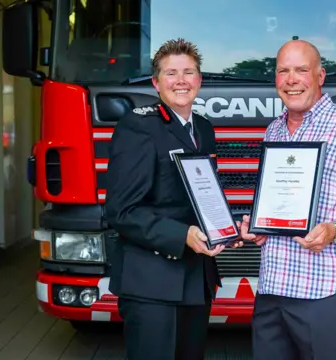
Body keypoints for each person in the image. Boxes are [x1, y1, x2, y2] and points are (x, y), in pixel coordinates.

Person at [240, 40, 336, 359]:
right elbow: (279, 201)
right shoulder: (274, 131)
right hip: (272, 288)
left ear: (320, 75)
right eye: (283, 71)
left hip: (323, 292)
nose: (291, 79)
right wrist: (260, 226)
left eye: (301, 70)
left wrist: (335, 230)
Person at [104, 38, 242, 360]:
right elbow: (121, 211)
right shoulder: (138, 127)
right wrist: (183, 235)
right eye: (171, 73)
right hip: (152, 283)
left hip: (196, 279)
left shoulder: (204, 129)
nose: (181, 81)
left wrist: (225, 227)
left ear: (199, 80)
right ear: (156, 82)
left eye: (188, 72)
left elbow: (201, 196)